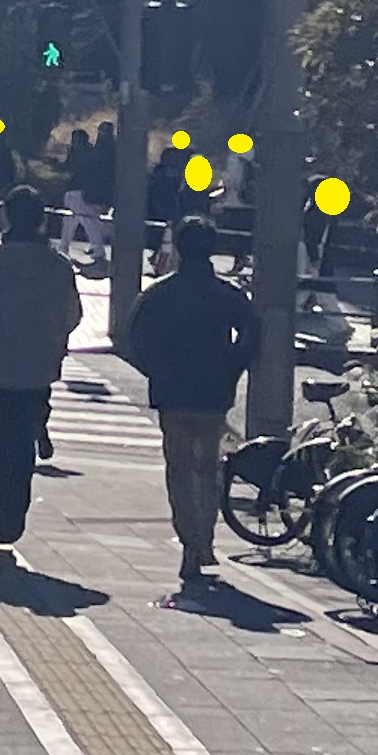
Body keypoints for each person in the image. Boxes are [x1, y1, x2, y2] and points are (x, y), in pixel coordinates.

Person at [0, 188, 82, 578]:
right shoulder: (58, 265)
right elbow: (72, 315)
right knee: (22, 444)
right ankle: (16, 511)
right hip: (38, 367)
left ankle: (2, 512)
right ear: (41, 220)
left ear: (8, 217)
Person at [122, 216, 255, 594]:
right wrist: (233, 366)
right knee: (208, 466)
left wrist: (156, 370)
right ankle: (204, 538)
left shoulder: (160, 293)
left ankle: (190, 542)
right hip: (213, 392)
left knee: (179, 468)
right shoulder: (226, 294)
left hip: (174, 392)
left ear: (179, 249)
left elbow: (134, 337)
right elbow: (251, 332)